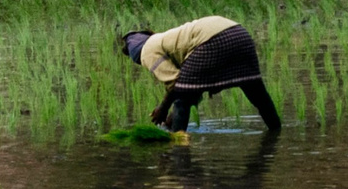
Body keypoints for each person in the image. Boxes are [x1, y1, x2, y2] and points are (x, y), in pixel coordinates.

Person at [120, 16, 282, 133]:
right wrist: (172, 115)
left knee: (181, 99)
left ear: (136, 55)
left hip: (212, 40)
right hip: (240, 33)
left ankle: (178, 148)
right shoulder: (165, 39)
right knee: (257, 93)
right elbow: (192, 87)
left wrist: (162, 109)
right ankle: (276, 132)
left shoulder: (147, 51)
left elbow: (175, 83)